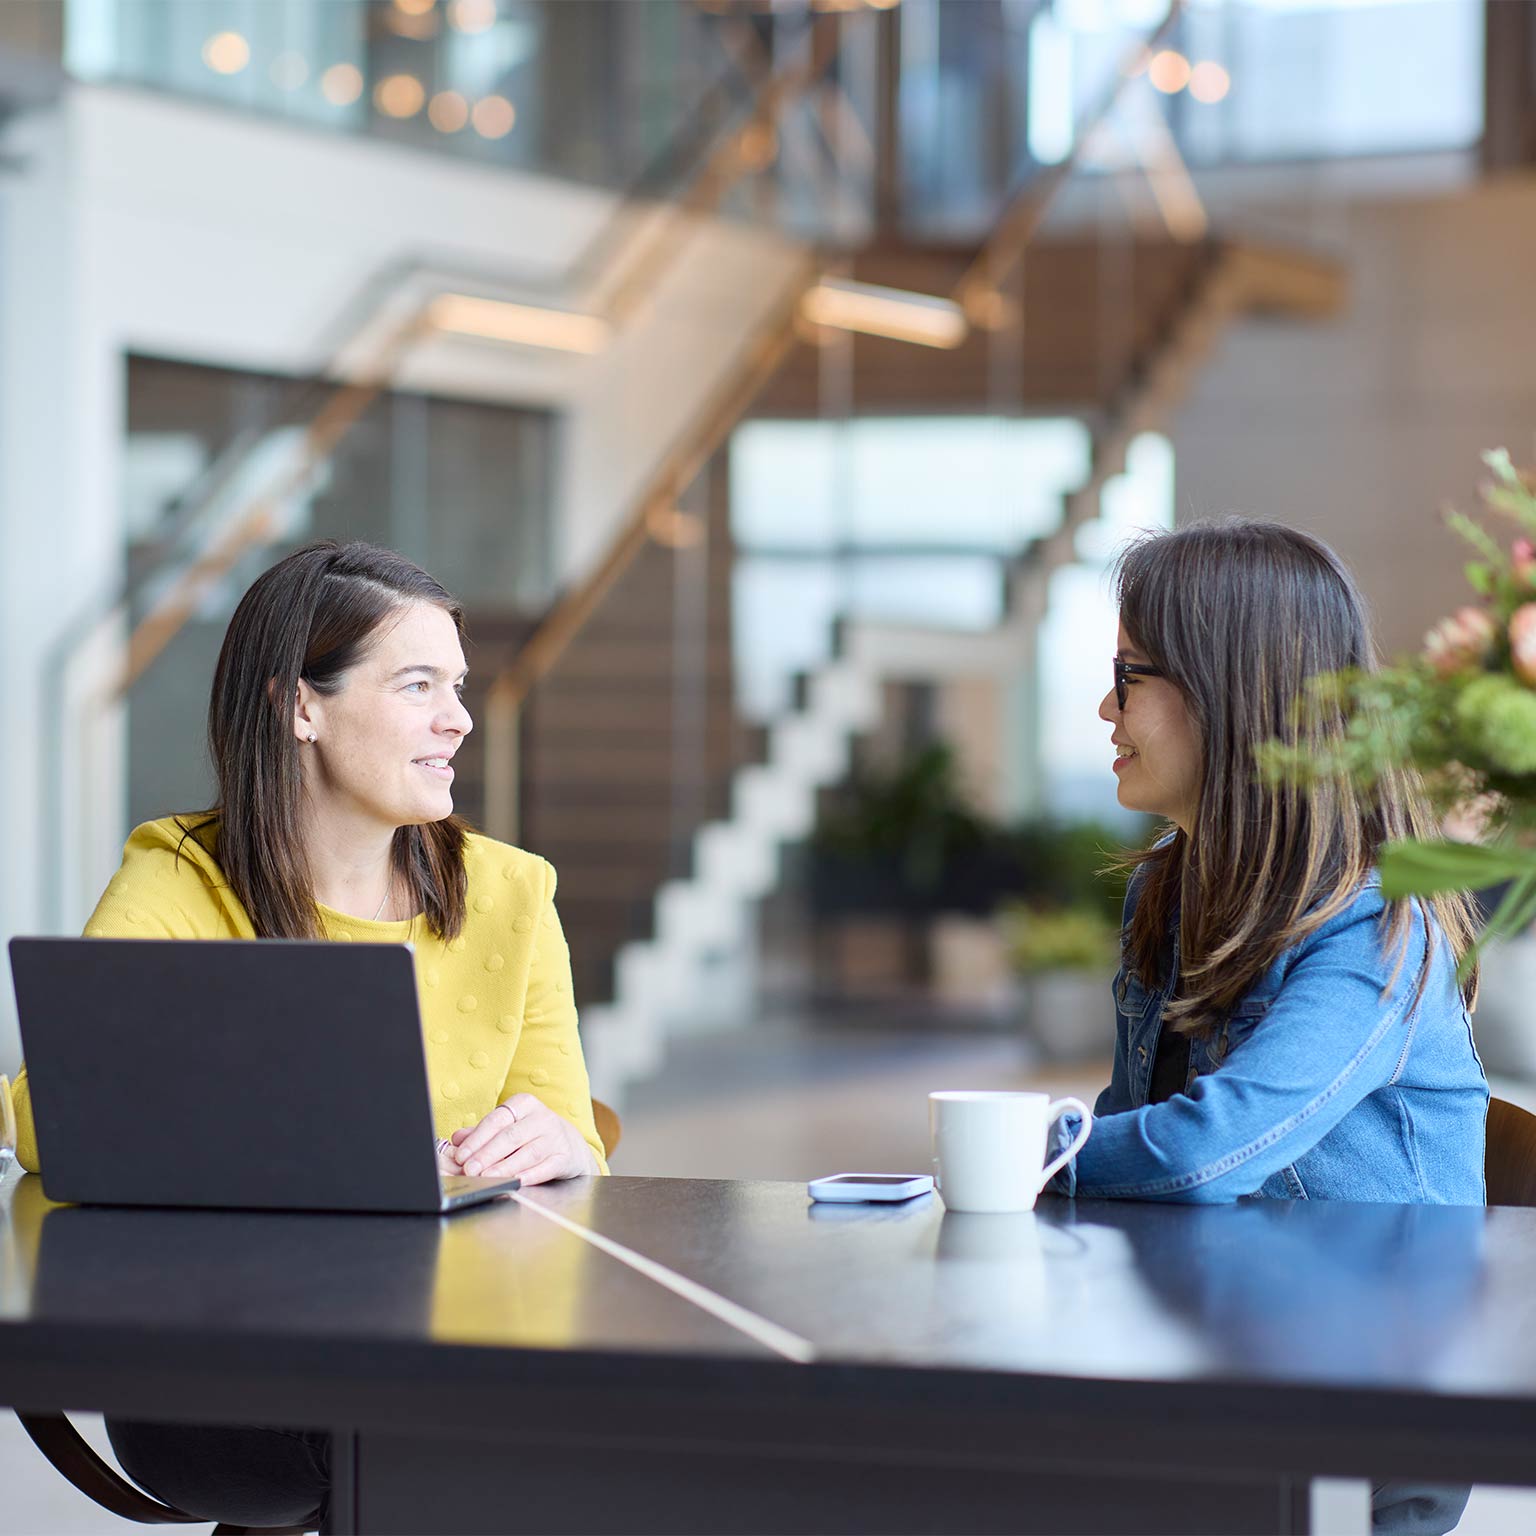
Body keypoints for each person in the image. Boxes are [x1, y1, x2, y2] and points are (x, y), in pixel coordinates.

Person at [8, 540, 608, 1529]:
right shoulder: (177, 879)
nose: (458, 718)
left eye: (457, 685)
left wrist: (561, 1142)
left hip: (452, 1337)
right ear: (301, 706)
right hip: (218, 1363)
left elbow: (576, 1130)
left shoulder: (512, 891)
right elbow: (53, 1116)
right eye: (419, 685)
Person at [1051, 519, 1487, 1535]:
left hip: (1365, 1426)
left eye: (1132, 677)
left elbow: (1204, 1151)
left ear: (1227, 693)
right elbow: (1134, 1131)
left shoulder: (1379, 923)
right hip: (1223, 1370)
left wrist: (1031, 1155)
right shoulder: (1169, 889)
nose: (1105, 709)